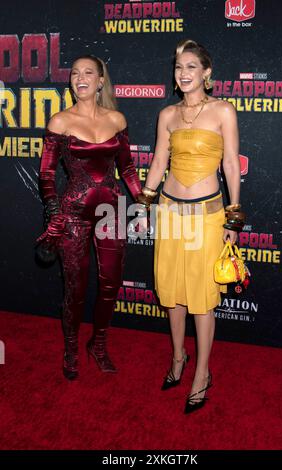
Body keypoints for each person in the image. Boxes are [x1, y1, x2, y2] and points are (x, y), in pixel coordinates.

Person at [141, 39, 244, 413]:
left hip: (207, 214)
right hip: (170, 211)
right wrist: (144, 203)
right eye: (178, 68)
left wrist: (234, 216)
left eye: (190, 67)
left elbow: (231, 164)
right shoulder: (167, 115)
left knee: (201, 298)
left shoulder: (223, 111)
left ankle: (202, 373)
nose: (182, 74)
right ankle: (178, 358)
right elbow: (156, 164)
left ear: (207, 73)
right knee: (172, 293)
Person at [36, 55, 142, 380]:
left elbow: (126, 168)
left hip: (112, 211)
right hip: (73, 214)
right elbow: (46, 175)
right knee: (75, 289)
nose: (80, 78)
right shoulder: (60, 121)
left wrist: (142, 201)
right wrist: (53, 212)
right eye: (75, 74)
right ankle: (71, 347)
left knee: (110, 285)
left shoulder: (117, 119)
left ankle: (98, 344)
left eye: (88, 73)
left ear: (100, 81)